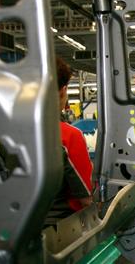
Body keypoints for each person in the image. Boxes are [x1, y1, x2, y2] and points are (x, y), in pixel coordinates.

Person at [44, 56, 93, 227]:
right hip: (60, 231)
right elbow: (87, 198)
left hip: (16, 230)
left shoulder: (9, 134)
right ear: (63, 90)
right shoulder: (67, 135)